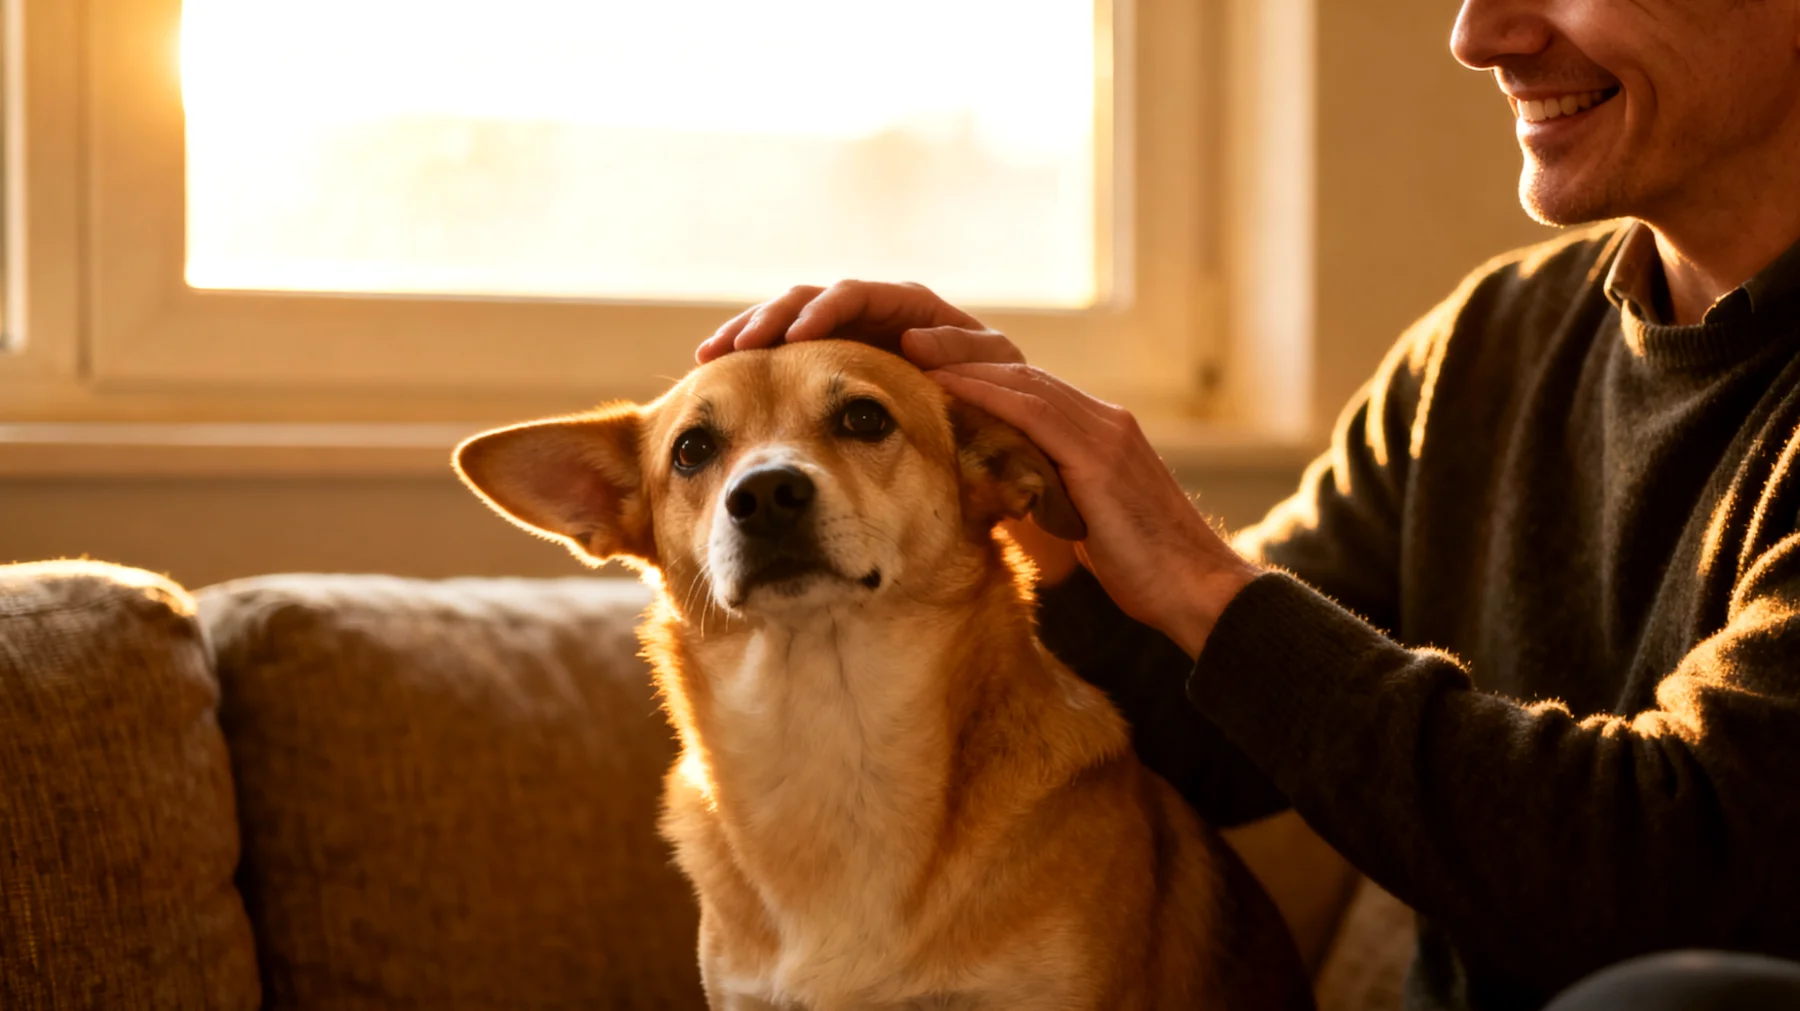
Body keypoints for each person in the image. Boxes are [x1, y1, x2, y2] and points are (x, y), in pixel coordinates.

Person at [693, 0, 1800, 1007]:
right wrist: (1013, 493)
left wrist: (1199, 576)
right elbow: (1216, 739)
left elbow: (1667, 879)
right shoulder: (1485, 348)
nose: (1479, 34)